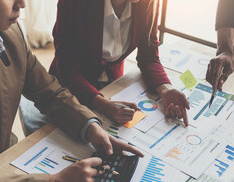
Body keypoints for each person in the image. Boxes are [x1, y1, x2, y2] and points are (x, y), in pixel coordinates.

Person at [0, 0, 143, 182]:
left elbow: (48, 90)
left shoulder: (10, 34)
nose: (23, 4)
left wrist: (91, 127)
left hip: (7, 168)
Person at [49, 0, 190, 126]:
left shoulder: (147, 2)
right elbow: (68, 71)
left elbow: (149, 56)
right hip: (70, 89)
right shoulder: (74, 3)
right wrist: (103, 105)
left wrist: (165, 88)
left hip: (113, 83)